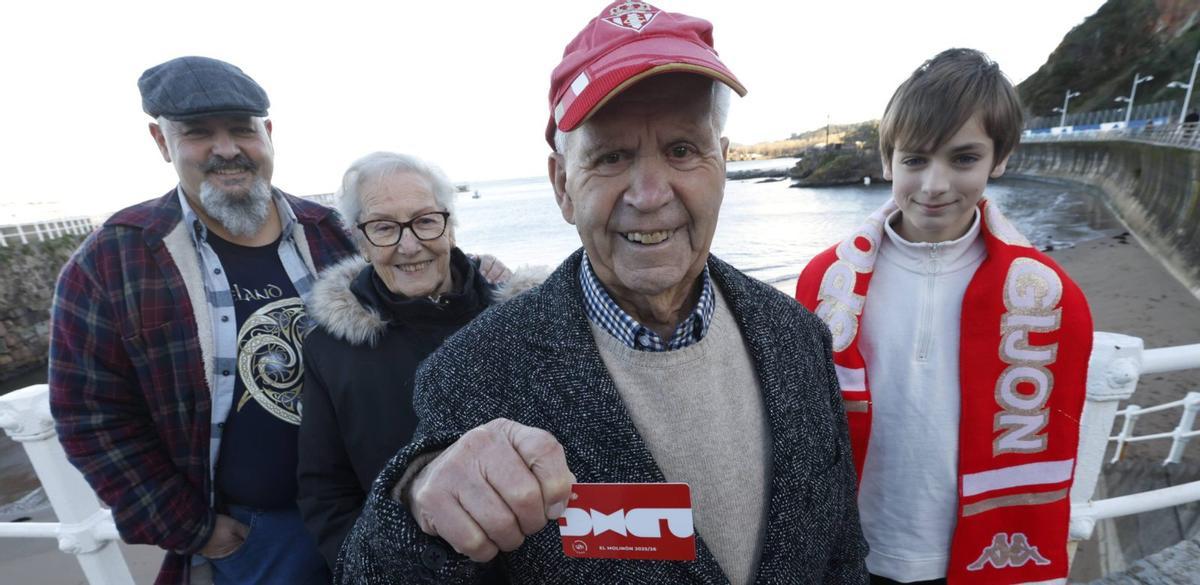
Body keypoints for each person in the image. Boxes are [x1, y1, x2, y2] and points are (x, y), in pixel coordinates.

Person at [337, 3, 867, 584]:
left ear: (721, 161)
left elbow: (842, 552)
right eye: (612, 157)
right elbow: (369, 574)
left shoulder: (798, 338)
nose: (649, 193)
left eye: (683, 150)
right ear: (562, 185)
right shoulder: (475, 371)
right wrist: (421, 506)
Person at [45, 57, 509, 584]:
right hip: (254, 536)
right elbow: (89, 416)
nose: (226, 149)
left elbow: (420, 259)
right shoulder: (115, 261)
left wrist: (491, 277)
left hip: (376, 509)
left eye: (242, 130)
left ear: (267, 133)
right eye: (198, 134)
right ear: (160, 141)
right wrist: (193, 529)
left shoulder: (331, 230)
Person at [796, 49, 1094, 585]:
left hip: (979, 549)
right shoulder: (825, 283)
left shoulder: (1045, 296)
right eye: (914, 160)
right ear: (887, 161)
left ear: (998, 160)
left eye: (962, 159)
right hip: (855, 547)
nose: (934, 185)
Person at [297, 151, 535, 575]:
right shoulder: (330, 349)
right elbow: (325, 490)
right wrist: (368, 571)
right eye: (385, 227)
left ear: (450, 225)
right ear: (361, 241)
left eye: (425, 220)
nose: (409, 245)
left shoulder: (520, 319)